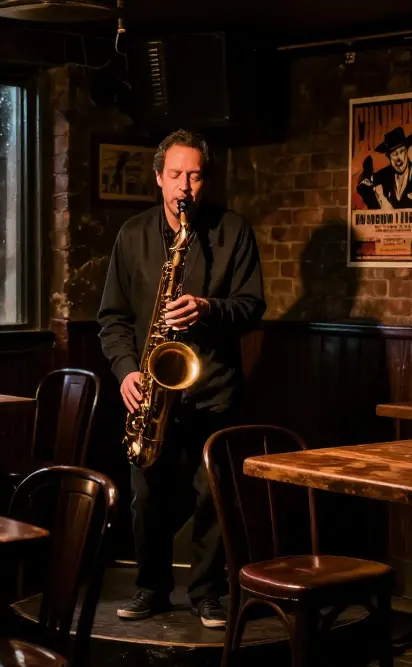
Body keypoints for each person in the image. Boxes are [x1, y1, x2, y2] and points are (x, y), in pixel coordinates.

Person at [97, 129, 265, 630]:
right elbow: (113, 318)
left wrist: (208, 308)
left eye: (193, 175)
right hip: (151, 389)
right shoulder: (132, 235)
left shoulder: (233, 231)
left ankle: (208, 591)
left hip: (213, 387)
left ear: (204, 180)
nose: (184, 186)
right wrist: (127, 372)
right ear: (157, 178)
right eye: (175, 175)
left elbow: (252, 306)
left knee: (213, 492)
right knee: (146, 491)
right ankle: (151, 587)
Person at [356, 126, 412, 210]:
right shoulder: (382, 176)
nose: (399, 158)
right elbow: (362, 185)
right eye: (394, 154)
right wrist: (380, 197)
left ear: (406, 152)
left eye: (401, 151)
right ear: (389, 157)